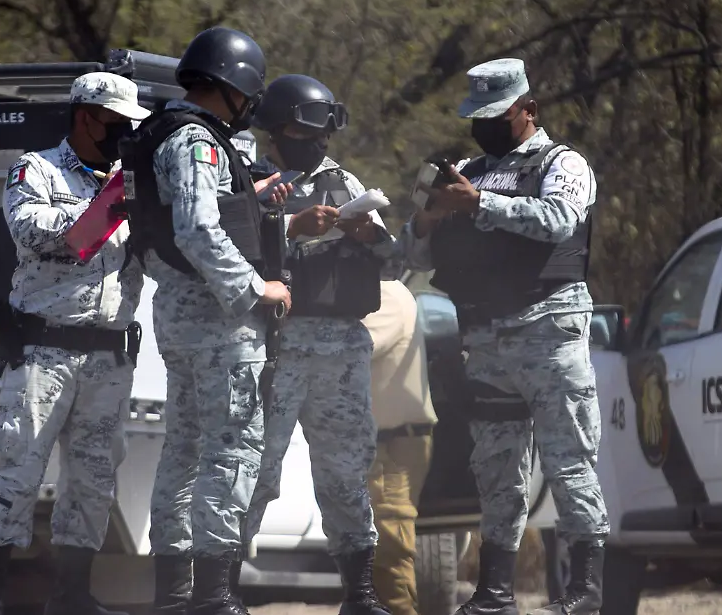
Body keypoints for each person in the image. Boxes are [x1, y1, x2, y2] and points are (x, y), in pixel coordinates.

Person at [402, 58, 608, 615]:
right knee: (496, 466)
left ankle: (586, 591)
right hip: (486, 337)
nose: (485, 127)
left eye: (497, 115)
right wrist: (428, 219)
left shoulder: (562, 162)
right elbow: (414, 255)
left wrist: (480, 204)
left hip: (548, 329)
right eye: (477, 116)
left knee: (569, 460)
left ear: (528, 111)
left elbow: (559, 220)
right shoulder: (470, 168)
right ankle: (495, 591)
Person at [117, 26, 292, 615]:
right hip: (218, 316)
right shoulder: (197, 141)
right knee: (231, 449)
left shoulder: (168, 133)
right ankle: (214, 597)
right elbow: (196, 230)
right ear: (233, 85)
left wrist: (253, 200)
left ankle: (176, 596)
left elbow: (193, 218)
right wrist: (256, 289)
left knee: (186, 449)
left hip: (181, 310)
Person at [0, 72, 153, 615]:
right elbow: (33, 229)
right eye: (115, 123)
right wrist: (107, 206)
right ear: (84, 115)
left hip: (109, 355)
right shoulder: (37, 168)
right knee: (17, 470)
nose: (122, 135)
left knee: (94, 480)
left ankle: (72, 598)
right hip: (45, 353)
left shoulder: (132, 182)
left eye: (128, 126)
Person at [241, 74, 394, 615]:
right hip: (275, 344)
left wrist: (369, 235)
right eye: (308, 131)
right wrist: (290, 226)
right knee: (255, 469)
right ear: (277, 129)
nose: (318, 143)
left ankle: (361, 593)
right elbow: (223, 246)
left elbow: (394, 259)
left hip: (341, 347)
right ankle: (220, 591)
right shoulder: (249, 178)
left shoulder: (344, 181)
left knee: (346, 470)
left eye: (324, 133)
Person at [360, 280, 438, 615]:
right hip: (386, 442)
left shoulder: (385, 294)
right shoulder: (380, 292)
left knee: (390, 550)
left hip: (393, 445)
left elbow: (352, 342)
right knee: (379, 551)